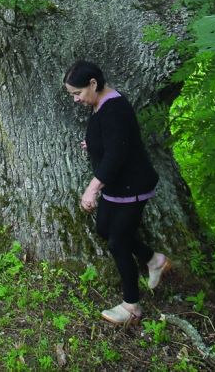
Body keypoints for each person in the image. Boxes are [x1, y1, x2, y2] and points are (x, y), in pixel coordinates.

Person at [63, 59, 171, 325]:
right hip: (117, 186)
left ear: (93, 83)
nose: (76, 99)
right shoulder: (100, 104)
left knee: (118, 243)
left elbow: (117, 155)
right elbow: (113, 139)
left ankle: (132, 307)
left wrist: (91, 190)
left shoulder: (114, 108)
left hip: (132, 185)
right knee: (104, 229)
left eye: (77, 93)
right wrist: (94, 143)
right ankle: (154, 260)